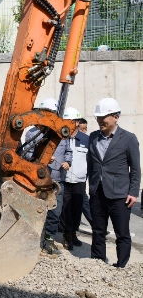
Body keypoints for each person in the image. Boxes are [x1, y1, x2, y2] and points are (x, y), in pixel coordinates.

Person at [87, 98, 141, 268]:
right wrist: (91, 186)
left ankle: (121, 266)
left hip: (120, 195)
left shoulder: (128, 138)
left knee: (122, 233)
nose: (100, 120)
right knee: (98, 231)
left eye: (104, 116)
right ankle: (98, 263)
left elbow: (135, 168)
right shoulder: (93, 137)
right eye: (98, 117)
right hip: (97, 193)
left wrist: (133, 192)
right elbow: (92, 165)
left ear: (116, 117)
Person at [24, 98, 72, 255]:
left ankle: (49, 239)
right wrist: (41, 157)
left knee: (54, 212)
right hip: (37, 181)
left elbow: (68, 151)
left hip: (57, 179)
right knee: (36, 210)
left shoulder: (62, 133)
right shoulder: (32, 133)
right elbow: (26, 154)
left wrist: (67, 162)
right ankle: (33, 240)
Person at [60, 107, 89, 250]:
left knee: (77, 209)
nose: (69, 124)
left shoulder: (86, 139)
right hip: (64, 179)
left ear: (77, 122)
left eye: (72, 121)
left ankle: (73, 233)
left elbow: (90, 161)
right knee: (65, 209)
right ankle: (66, 235)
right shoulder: (61, 136)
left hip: (79, 180)